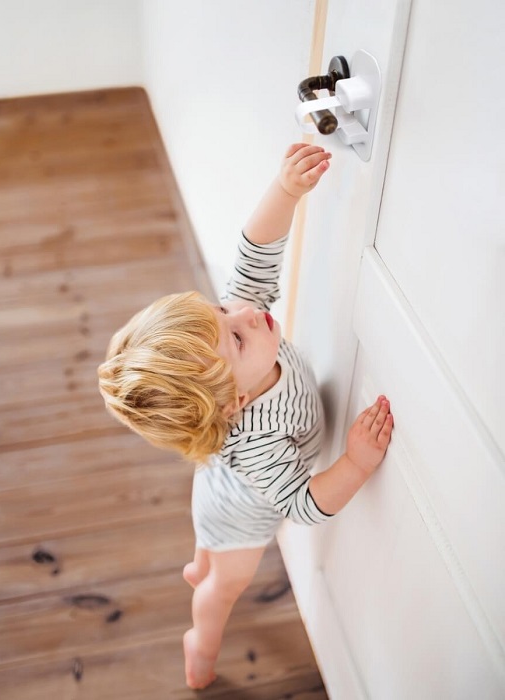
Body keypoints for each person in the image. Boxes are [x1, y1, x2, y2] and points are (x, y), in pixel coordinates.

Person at [97, 143, 393, 690]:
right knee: (223, 586)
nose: (247, 313)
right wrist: (354, 461)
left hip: (217, 486)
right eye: (234, 333)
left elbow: (256, 249)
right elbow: (302, 504)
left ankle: (200, 559)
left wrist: (286, 190)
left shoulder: (240, 338)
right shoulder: (256, 439)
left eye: (221, 310)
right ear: (232, 405)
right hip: (240, 516)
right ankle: (201, 639)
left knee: (207, 540)